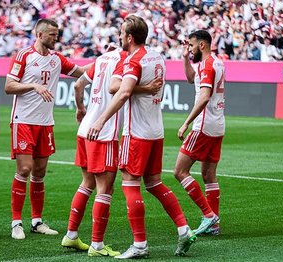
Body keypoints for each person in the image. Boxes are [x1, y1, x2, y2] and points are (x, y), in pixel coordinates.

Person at [88, 15, 196, 259]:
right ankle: (184, 228)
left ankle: (139, 244)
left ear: (129, 37)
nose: (120, 37)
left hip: (136, 133)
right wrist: (143, 89)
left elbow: (122, 91)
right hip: (156, 130)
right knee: (155, 183)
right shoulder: (156, 57)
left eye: (122, 34)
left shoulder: (134, 60)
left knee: (129, 184)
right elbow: (118, 87)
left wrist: (101, 119)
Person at [61, 45, 162, 256]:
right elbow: (121, 90)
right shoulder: (127, 59)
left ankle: (71, 235)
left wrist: (81, 108)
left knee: (87, 183)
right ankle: (97, 245)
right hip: (103, 132)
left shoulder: (102, 58)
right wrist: (146, 88)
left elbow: (78, 86)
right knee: (104, 189)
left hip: (85, 128)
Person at [4, 19, 88, 240]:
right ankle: (16, 222)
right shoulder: (24, 56)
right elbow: (8, 86)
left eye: (57, 34)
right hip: (23, 121)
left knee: (39, 173)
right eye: (52, 34)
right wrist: (33, 85)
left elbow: (82, 72)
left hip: (45, 123)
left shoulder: (56, 59)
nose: (56, 38)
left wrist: (107, 61)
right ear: (39, 35)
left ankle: (36, 221)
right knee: (24, 169)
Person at [173, 30, 224, 236]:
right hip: (218, 124)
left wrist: (186, 123)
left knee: (179, 171)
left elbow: (203, 97)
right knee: (208, 175)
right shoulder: (217, 62)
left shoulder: (207, 65)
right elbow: (190, 79)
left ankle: (209, 215)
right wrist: (185, 59)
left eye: (192, 46)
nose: (190, 49)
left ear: (202, 45)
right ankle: (214, 225)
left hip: (203, 125)